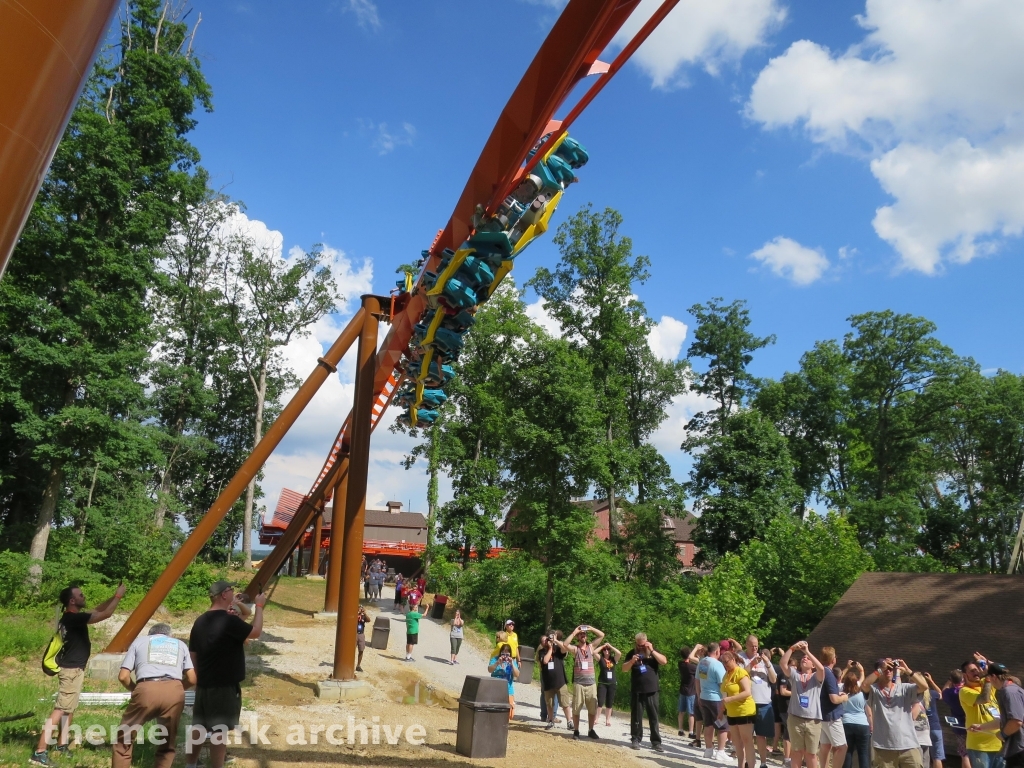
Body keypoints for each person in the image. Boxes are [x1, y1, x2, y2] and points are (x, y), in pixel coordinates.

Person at [32, 582, 126, 766]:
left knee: (69, 709)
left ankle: (61, 745)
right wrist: (118, 596)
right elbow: (105, 614)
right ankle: (39, 752)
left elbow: (97, 610)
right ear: (72, 601)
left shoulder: (73, 617)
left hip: (74, 670)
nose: (84, 596)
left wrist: (112, 597)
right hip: (71, 672)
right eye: (80, 595)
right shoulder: (72, 619)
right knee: (60, 709)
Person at [186, 581, 266, 768]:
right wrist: (259, 606)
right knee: (219, 730)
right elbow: (256, 632)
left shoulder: (200, 621)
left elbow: (193, 654)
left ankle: (190, 764)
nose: (233, 592)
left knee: (199, 726)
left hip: (204, 684)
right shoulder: (228, 621)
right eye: (230, 590)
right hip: (223, 685)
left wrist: (197, 679)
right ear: (223, 595)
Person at [112, 623, 196, 768]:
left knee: (124, 737)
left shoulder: (139, 642)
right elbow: (192, 679)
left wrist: (136, 689)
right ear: (169, 635)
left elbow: (123, 676)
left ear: (150, 634)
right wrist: (175, 689)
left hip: (146, 689)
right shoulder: (180, 644)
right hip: (174, 691)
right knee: (167, 742)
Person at [861, 657, 928, 768]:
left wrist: (908, 670)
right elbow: (864, 686)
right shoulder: (874, 690)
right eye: (885, 669)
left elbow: (924, 686)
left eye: (890, 668)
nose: (888, 670)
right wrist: (880, 669)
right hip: (884, 747)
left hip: (908, 745)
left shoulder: (905, 688)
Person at [780, 641, 826, 768]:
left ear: (812, 664)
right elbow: (783, 663)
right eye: (803, 658)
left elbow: (821, 668)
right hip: (795, 719)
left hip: (813, 721)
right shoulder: (795, 675)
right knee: (796, 752)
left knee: (811, 754)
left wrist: (807, 651)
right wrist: (792, 648)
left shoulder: (816, 677)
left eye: (808, 659)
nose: (804, 659)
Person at [971, 663, 1024, 768]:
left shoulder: (1009, 692)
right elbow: (1005, 720)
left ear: (993, 677)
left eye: (988, 677)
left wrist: (1002, 734)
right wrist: (981, 727)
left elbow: (1016, 721)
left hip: (1019, 749)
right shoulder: (1012, 690)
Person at [622, 632, 667, 753]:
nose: (641, 647)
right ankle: (636, 739)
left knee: (653, 717)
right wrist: (631, 661)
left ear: (647, 642)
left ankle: (656, 742)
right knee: (636, 716)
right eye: (639, 645)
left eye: (643, 645)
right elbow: (624, 669)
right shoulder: (632, 653)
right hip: (637, 690)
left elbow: (664, 661)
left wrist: (651, 650)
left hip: (652, 690)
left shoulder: (653, 652)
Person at [562, 624, 605, 740]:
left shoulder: (591, 647)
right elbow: (565, 644)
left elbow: (601, 635)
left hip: (591, 684)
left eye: (584, 634)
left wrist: (591, 628)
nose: (583, 636)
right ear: (578, 637)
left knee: (592, 709)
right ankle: (576, 731)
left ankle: (591, 730)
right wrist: (574, 632)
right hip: (579, 684)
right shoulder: (575, 649)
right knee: (576, 709)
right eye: (581, 634)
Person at [743, 635, 779, 768]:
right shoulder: (742, 658)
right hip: (748, 702)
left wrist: (767, 663)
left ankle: (763, 763)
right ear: (746, 645)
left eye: (756, 646)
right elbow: (741, 675)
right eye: (752, 646)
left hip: (764, 703)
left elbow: (774, 679)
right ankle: (748, 762)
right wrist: (752, 664)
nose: (754, 648)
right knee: (747, 736)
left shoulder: (764, 661)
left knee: (761, 735)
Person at [961, 658, 1004, 768]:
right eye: (972, 671)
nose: (976, 672)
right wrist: (988, 678)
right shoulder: (965, 691)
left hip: (998, 744)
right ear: (965, 675)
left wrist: (991, 664)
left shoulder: (986, 683)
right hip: (979, 746)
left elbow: (1005, 676)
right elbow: (984, 698)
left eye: (977, 669)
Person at [722, 650, 757, 768]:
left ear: (733, 660)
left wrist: (730, 699)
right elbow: (724, 691)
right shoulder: (727, 674)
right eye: (723, 662)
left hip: (744, 711)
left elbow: (747, 692)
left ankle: (751, 765)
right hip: (732, 712)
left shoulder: (741, 672)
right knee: (737, 743)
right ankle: (740, 765)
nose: (725, 664)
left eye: (726, 662)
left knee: (747, 741)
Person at [698, 640, 730, 762]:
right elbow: (723, 684)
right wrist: (726, 699)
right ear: (717, 651)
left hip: (704, 696)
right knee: (723, 725)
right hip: (716, 698)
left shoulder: (702, 662)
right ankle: (721, 751)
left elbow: (697, 680)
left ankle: (708, 749)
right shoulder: (717, 664)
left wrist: (699, 695)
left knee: (708, 724)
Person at [819, 647, 851, 768]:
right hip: (832, 716)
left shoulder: (821, 672)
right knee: (842, 747)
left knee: (825, 746)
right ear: (833, 659)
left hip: (822, 715)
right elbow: (834, 699)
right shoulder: (830, 674)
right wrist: (844, 697)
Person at [540, 630, 573, 730]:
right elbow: (545, 661)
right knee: (550, 704)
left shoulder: (558, 649)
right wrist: (550, 648)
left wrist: (556, 641)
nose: (547, 641)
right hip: (548, 683)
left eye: (547, 639)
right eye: (545, 640)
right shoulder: (542, 652)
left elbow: (565, 648)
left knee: (565, 703)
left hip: (560, 681)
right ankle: (551, 721)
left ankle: (569, 721)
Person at [841, 664, 871, 768]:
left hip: (846, 722)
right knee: (863, 753)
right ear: (855, 681)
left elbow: (838, 678)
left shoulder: (841, 689)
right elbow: (862, 678)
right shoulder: (861, 690)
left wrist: (847, 667)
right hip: (862, 723)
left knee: (848, 752)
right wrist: (861, 669)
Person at [944, 669, 972, 768]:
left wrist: (949, 680)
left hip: (959, 726)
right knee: (972, 752)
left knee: (964, 753)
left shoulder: (950, 693)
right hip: (972, 723)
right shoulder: (966, 691)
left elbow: (944, 690)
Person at [488, 643, 520, 720]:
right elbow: (489, 670)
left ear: (510, 654)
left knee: (510, 713)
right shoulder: (495, 659)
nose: (505, 656)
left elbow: (517, 674)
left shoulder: (512, 661)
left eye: (507, 654)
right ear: (500, 653)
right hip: (496, 688)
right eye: (503, 654)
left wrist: (512, 664)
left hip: (508, 689)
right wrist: (497, 663)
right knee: (495, 710)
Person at [596, 641, 622, 727]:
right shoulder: (600, 659)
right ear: (602, 651)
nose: (606, 651)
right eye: (604, 650)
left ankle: (607, 720)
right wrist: (603, 646)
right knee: (600, 701)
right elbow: (594, 652)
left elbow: (619, 653)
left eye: (608, 649)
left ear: (610, 651)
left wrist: (610, 646)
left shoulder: (613, 659)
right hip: (602, 683)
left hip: (612, 683)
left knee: (609, 702)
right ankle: (596, 718)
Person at [922, 672, 946, 768]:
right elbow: (941, 694)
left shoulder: (915, 694)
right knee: (937, 757)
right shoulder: (932, 693)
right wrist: (931, 681)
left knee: (922, 756)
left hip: (922, 729)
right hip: (935, 728)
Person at [679, 646, 698, 738]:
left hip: (682, 690)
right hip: (691, 691)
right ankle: (691, 732)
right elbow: (699, 665)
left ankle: (680, 730)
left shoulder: (680, 664)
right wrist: (697, 657)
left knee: (681, 711)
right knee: (691, 713)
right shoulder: (692, 667)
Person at [356, 606, 367, 672]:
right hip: (354, 634)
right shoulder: (354, 615)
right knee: (351, 650)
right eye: (359, 608)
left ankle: (358, 665)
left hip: (361, 634)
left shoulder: (363, 616)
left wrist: (364, 614)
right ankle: (349, 664)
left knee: (361, 650)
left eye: (361, 608)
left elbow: (368, 620)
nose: (360, 609)